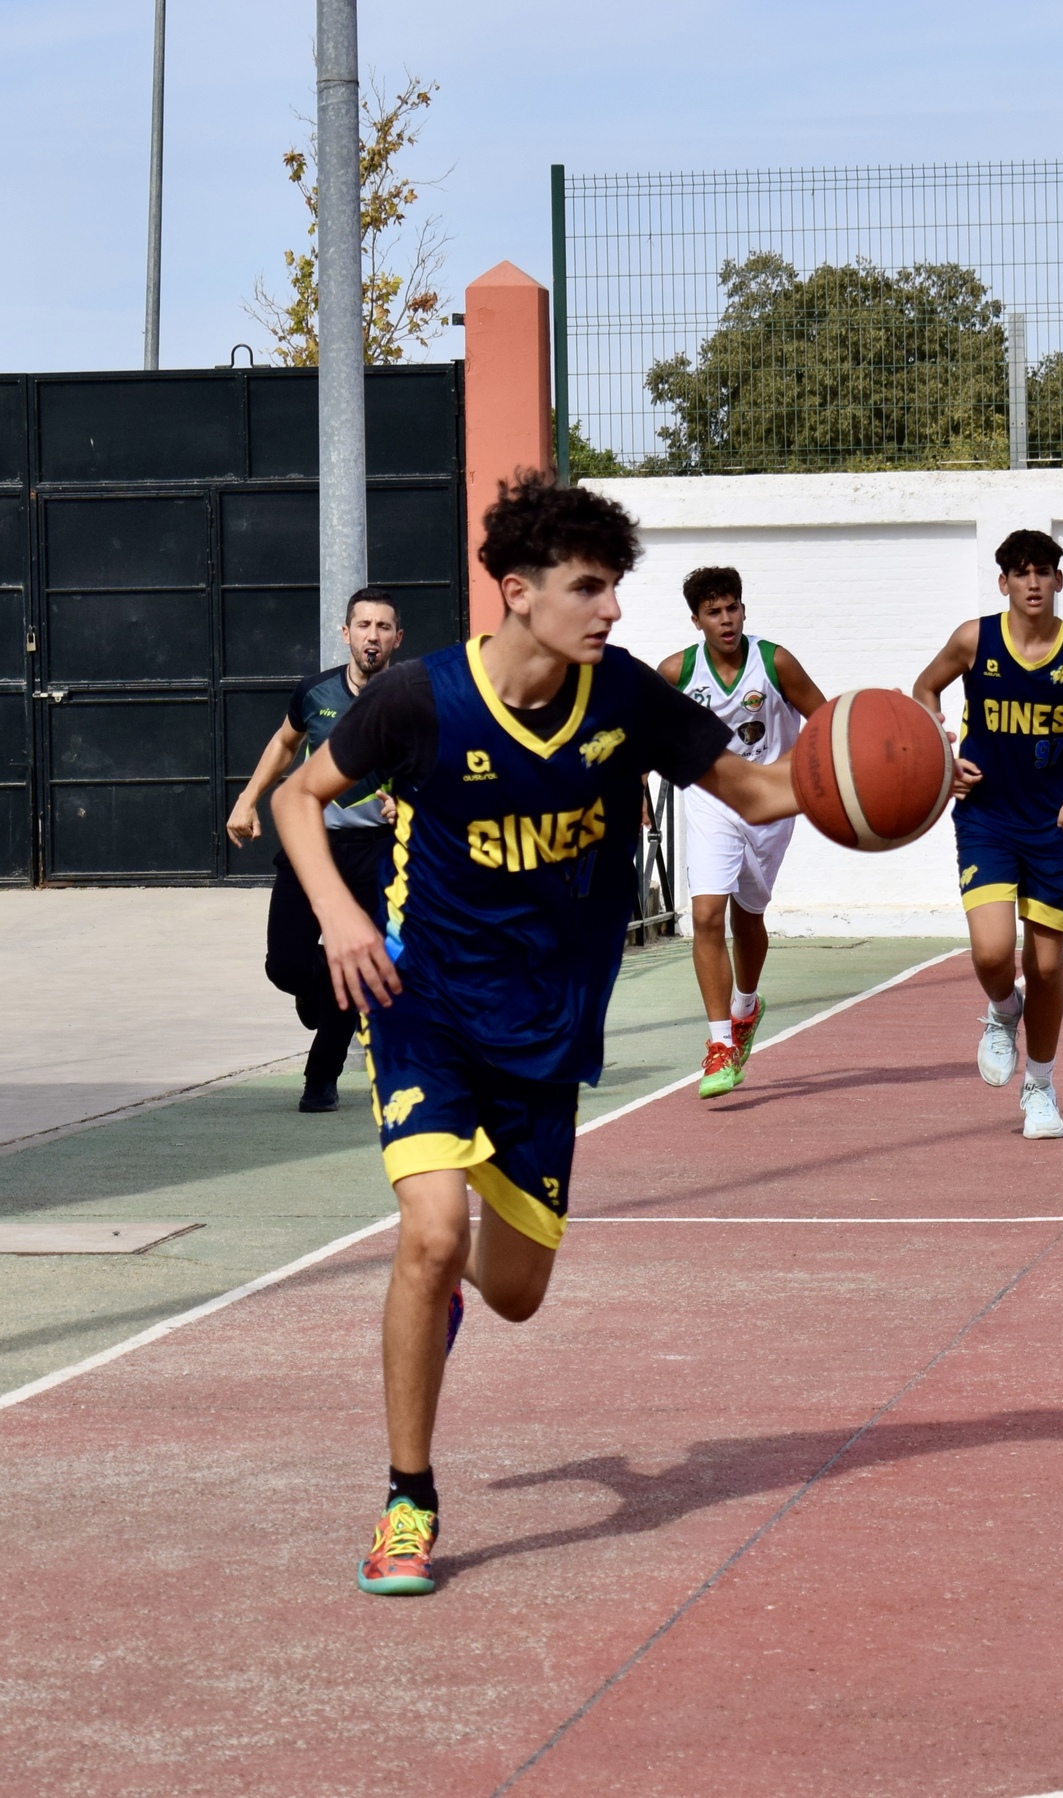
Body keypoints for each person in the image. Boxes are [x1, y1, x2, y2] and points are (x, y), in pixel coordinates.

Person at [272, 473, 805, 1596]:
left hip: (548, 1029)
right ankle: (408, 1500)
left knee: (513, 1291)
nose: (612, 610)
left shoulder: (626, 699)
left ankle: (452, 1289)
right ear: (519, 591)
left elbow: (757, 791)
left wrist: (892, 783)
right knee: (429, 1233)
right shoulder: (420, 698)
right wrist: (338, 914)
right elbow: (297, 798)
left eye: (614, 588)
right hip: (423, 1005)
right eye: (589, 588)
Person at [913, 529, 1063, 1139]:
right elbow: (924, 687)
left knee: (1045, 968)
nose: (1033, 582)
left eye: (1043, 571)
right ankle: (1001, 1010)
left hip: (1053, 827)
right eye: (1021, 573)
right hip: (987, 818)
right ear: (1004, 583)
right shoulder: (974, 639)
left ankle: (1040, 1087)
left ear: (1058, 580)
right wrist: (942, 754)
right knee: (993, 953)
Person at [226, 588, 401, 1113]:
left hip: (377, 854)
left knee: (359, 966)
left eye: (383, 627)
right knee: (284, 965)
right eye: (364, 625)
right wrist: (248, 798)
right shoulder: (314, 692)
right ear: (346, 634)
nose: (372, 636)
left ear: (397, 638)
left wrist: (411, 801)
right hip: (311, 846)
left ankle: (320, 1078)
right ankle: (319, 988)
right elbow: (285, 742)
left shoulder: (414, 698)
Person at [657, 567, 826, 1099]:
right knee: (707, 913)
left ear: (743, 611)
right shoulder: (677, 672)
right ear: (696, 621)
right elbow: (641, 729)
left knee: (748, 915)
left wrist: (794, 774)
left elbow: (825, 720)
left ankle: (746, 1008)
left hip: (771, 801)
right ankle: (719, 1044)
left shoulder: (774, 662)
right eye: (714, 612)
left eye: (732, 608)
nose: (725, 619)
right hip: (711, 799)